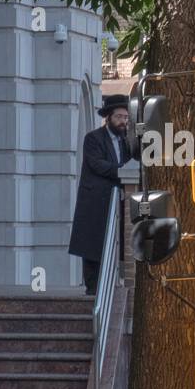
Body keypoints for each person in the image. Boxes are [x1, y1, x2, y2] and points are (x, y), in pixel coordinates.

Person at [69, 94, 130, 295]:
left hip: (118, 200)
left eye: (125, 117)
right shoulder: (93, 138)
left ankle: (115, 282)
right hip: (96, 200)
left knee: (118, 243)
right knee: (92, 245)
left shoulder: (126, 140)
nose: (123, 121)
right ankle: (93, 289)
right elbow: (97, 165)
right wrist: (122, 170)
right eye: (119, 117)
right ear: (109, 118)